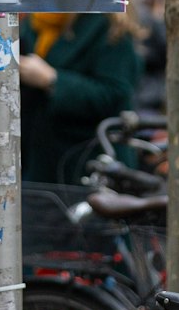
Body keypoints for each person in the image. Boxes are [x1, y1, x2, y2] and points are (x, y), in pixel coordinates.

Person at [18, 12, 143, 185]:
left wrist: (52, 79)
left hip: (86, 163)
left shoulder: (110, 25)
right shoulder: (37, 21)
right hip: (38, 160)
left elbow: (115, 94)